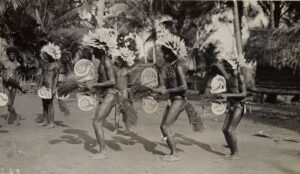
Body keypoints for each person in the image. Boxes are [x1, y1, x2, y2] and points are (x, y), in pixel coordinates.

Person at [81, 28, 118, 160]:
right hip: (105, 95)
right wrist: (89, 87)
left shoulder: (106, 61)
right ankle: (103, 151)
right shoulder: (102, 62)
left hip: (110, 95)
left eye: (93, 48)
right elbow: (102, 80)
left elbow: (112, 81)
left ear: (100, 49)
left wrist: (96, 85)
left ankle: (103, 152)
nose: (92, 51)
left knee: (97, 123)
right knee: (96, 123)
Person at [152, 32, 188, 162]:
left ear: (169, 54)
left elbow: (184, 87)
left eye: (163, 53)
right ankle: (173, 152)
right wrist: (154, 91)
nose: (162, 55)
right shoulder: (170, 67)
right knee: (163, 126)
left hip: (179, 100)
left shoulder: (178, 66)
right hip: (173, 100)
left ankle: (175, 154)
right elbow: (165, 87)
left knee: (165, 126)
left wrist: (166, 90)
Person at [217, 57, 247, 160]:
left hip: (239, 106)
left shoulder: (240, 76)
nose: (226, 66)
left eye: (228, 64)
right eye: (226, 64)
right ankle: (232, 152)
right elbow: (231, 93)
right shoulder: (228, 77)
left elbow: (243, 94)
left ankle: (236, 154)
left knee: (230, 130)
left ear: (234, 64)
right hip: (232, 106)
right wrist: (223, 97)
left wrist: (227, 95)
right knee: (224, 130)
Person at [0, 47, 26, 125]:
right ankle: (16, 115)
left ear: (15, 55)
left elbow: (19, 75)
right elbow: (0, 71)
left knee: (11, 102)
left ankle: (10, 118)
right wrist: (3, 75)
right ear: (8, 54)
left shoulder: (17, 64)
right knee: (8, 103)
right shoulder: (4, 63)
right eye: (11, 54)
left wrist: (20, 84)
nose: (12, 55)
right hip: (6, 84)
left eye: (13, 54)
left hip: (14, 85)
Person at [38, 43, 61, 128]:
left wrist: (54, 88)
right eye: (45, 55)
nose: (45, 56)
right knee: (44, 103)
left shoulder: (55, 64)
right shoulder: (45, 64)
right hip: (44, 85)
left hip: (51, 86)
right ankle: (45, 120)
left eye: (47, 55)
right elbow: (43, 75)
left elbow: (56, 77)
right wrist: (40, 85)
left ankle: (52, 122)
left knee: (50, 104)